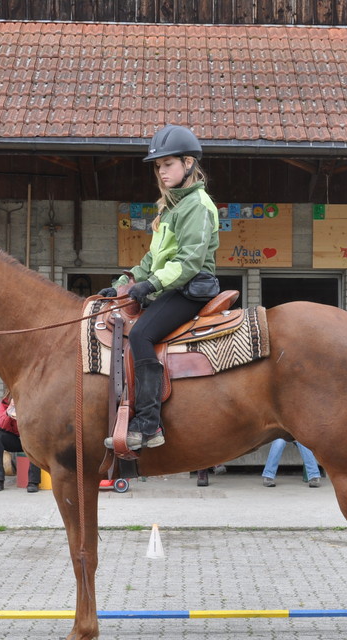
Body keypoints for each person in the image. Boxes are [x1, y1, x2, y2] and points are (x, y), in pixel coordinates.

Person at [99, 124, 221, 452]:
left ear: (189, 164)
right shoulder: (172, 207)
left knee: (141, 335)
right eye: (158, 165)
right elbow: (153, 258)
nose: (162, 171)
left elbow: (188, 262)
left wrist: (150, 285)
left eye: (168, 164)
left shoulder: (197, 205)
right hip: (169, 287)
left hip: (190, 289)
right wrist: (123, 284)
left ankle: (149, 424)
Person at [0, 396, 42, 493]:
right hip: (15, 440)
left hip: (30, 439)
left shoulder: (33, 401)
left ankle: (33, 482)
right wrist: (8, 413)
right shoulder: (5, 403)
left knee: (36, 439)